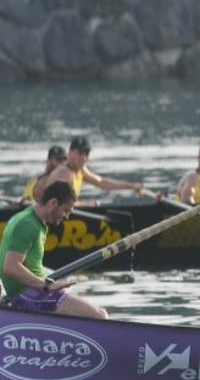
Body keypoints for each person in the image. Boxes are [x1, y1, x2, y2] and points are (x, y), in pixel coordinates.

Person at [0, 181, 107, 318]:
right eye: (66, 210)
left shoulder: (28, 218)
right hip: (28, 294)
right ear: (53, 203)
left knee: (76, 291)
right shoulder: (27, 225)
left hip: (32, 290)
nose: (66, 217)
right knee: (100, 315)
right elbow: (10, 268)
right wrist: (46, 285)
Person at [33, 136, 143, 203]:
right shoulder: (64, 173)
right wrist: (90, 204)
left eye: (87, 154)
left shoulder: (81, 171)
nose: (84, 158)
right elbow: (62, 205)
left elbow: (102, 182)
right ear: (70, 153)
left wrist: (131, 186)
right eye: (80, 153)